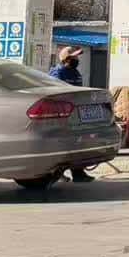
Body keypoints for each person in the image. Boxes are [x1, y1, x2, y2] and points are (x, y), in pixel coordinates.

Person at [47, 47, 96, 183]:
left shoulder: (76, 73)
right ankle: (56, 173)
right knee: (61, 144)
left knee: (77, 143)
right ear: (66, 59)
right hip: (61, 114)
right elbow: (56, 94)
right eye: (74, 57)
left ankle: (78, 173)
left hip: (75, 113)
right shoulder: (57, 73)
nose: (77, 60)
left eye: (77, 57)